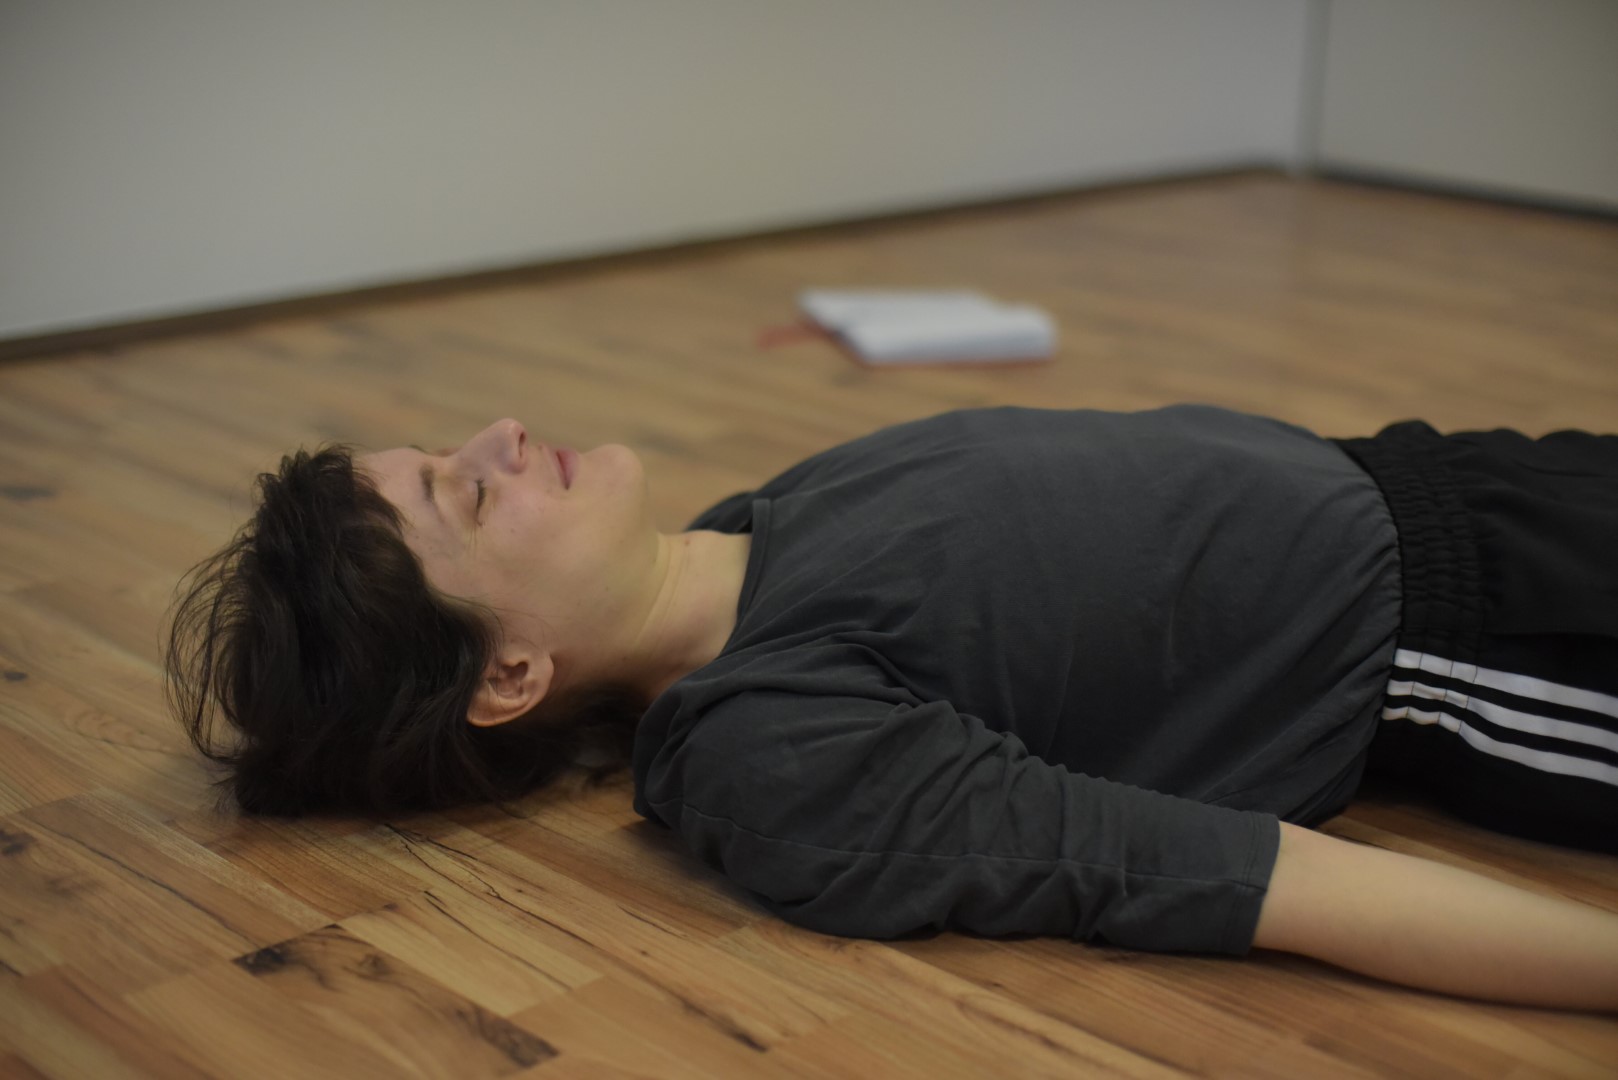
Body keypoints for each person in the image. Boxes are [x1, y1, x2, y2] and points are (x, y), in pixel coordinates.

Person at [165, 403, 1618, 1013]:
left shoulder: (761, 520)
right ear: (506, 675)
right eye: (467, 496)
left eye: (452, 449)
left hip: (1467, 478)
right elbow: (1238, 880)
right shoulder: (767, 745)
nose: (499, 435)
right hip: (1488, 651)